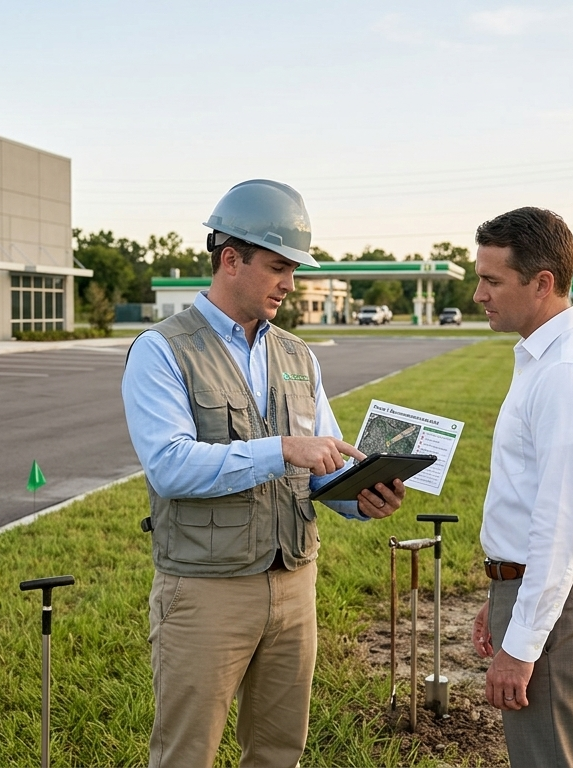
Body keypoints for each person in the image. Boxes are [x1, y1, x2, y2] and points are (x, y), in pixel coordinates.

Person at [122, 179, 407, 768]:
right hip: (206, 591)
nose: (290, 284)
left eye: (294, 269)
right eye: (279, 266)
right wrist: (282, 449)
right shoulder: (161, 350)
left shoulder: (300, 356)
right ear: (232, 259)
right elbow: (170, 467)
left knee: (279, 752)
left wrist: (360, 495)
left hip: (294, 584)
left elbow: (320, 461)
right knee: (185, 755)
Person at [467, 207, 573, 767]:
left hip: (558, 599)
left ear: (542, 283)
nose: (478, 294)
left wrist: (521, 644)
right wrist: (502, 595)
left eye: (492, 280)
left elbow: (563, 526)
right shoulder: (547, 359)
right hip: (540, 589)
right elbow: (533, 498)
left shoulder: (567, 373)